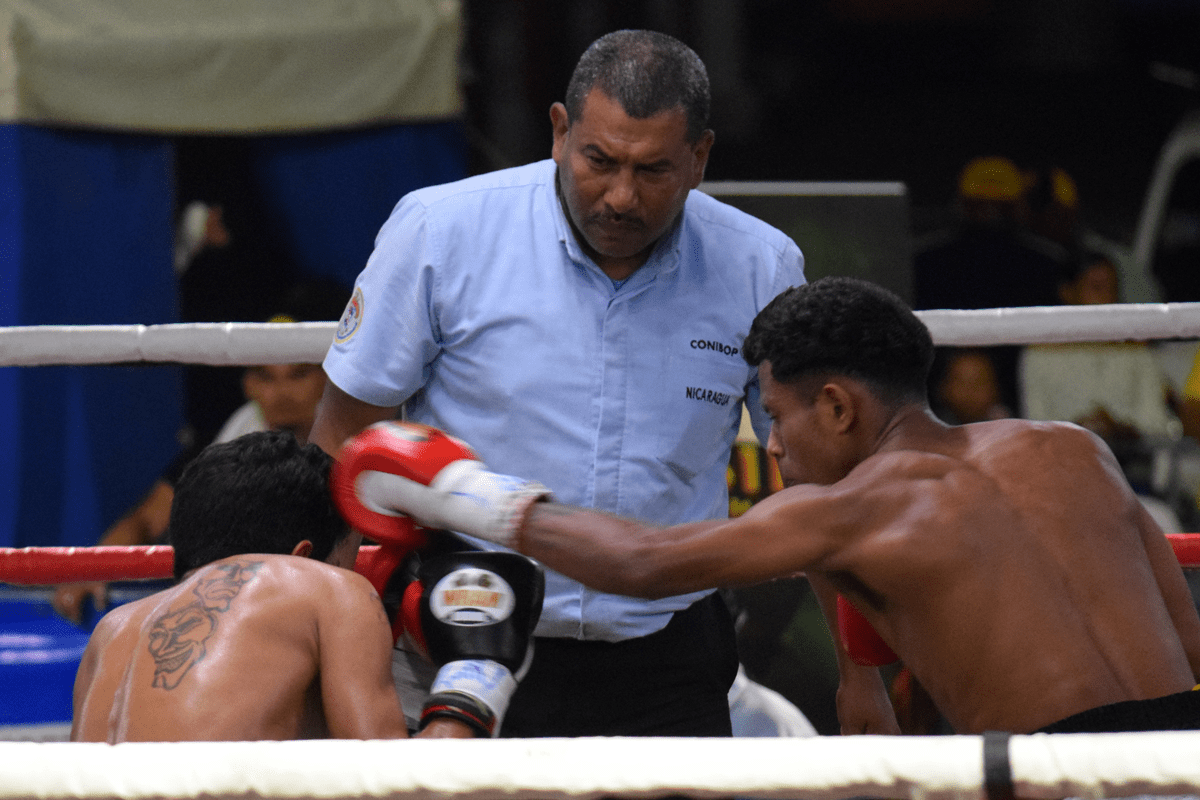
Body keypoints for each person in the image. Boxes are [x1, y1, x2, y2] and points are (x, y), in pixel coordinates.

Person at [344, 277, 1200, 735]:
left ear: (837, 406)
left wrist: (462, 489)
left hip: (1061, 780)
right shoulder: (1072, 448)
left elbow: (644, 565)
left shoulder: (852, 511)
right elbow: (1185, 640)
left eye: (777, 417)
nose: (775, 446)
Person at [309, 29, 806, 738]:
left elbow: (819, 481)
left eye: (654, 169)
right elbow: (340, 440)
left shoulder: (760, 265)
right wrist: (330, 638)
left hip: (669, 651)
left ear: (700, 158)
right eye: (599, 161)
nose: (621, 196)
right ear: (559, 131)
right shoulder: (441, 231)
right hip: (463, 638)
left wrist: (863, 677)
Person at [71, 430, 533, 742]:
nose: (354, 574)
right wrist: (472, 680)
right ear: (304, 555)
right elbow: (393, 785)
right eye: (349, 557)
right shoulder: (326, 588)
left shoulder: (112, 627)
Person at [52, 278, 349, 624]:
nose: (281, 393)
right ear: (248, 384)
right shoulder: (220, 449)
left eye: (298, 375)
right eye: (265, 376)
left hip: (325, 607)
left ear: (329, 377)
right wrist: (98, 565)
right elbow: (147, 519)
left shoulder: (361, 451)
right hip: (234, 612)